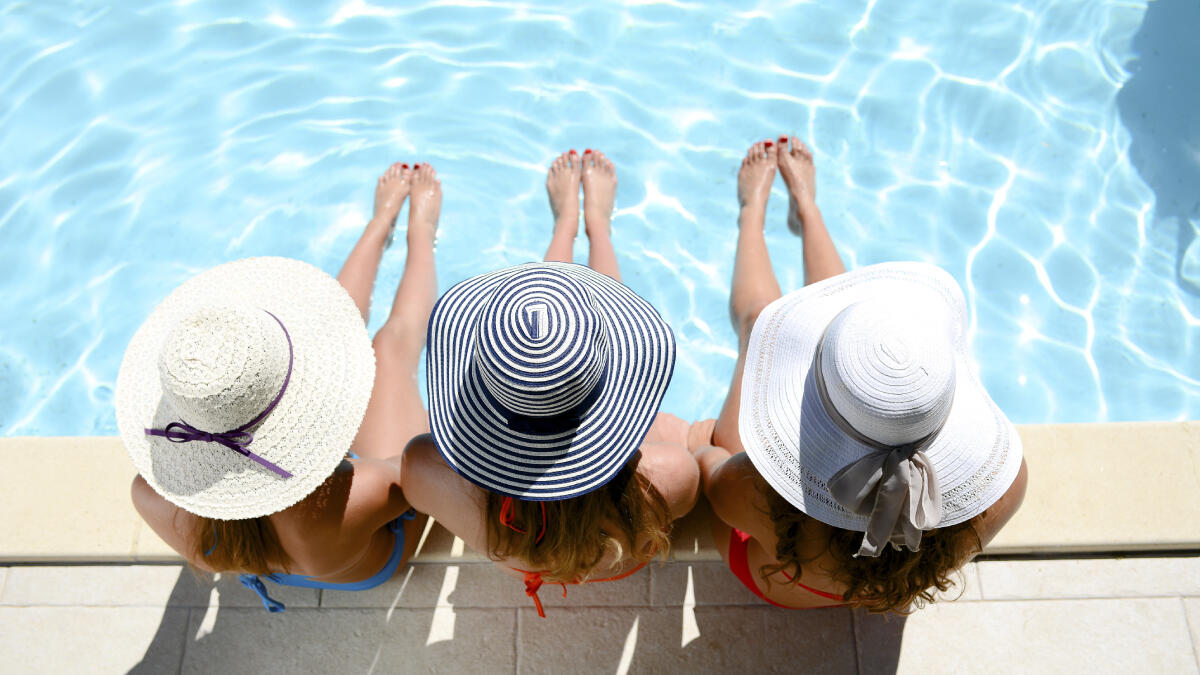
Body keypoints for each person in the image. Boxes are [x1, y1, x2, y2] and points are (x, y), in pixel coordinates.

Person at [689, 137, 1028, 612]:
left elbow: (710, 475)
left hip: (784, 578)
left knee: (757, 322)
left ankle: (752, 212)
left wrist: (700, 444)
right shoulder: (1006, 489)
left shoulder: (750, 485)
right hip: (870, 586)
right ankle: (807, 209)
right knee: (856, 335)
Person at [120, 162, 443, 612]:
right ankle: (419, 233)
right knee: (390, 347)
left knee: (332, 327)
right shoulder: (345, 495)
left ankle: (379, 224)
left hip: (289, 552)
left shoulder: (151, 495)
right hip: (366, 556)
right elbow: (421, 471)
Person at [402, 149, 699, 617]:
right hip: (617, 548)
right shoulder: (671, 477)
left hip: (519, 548)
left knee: (407, 347)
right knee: (596, 363)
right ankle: (594, 227)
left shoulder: (424, 470)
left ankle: (565, 227)